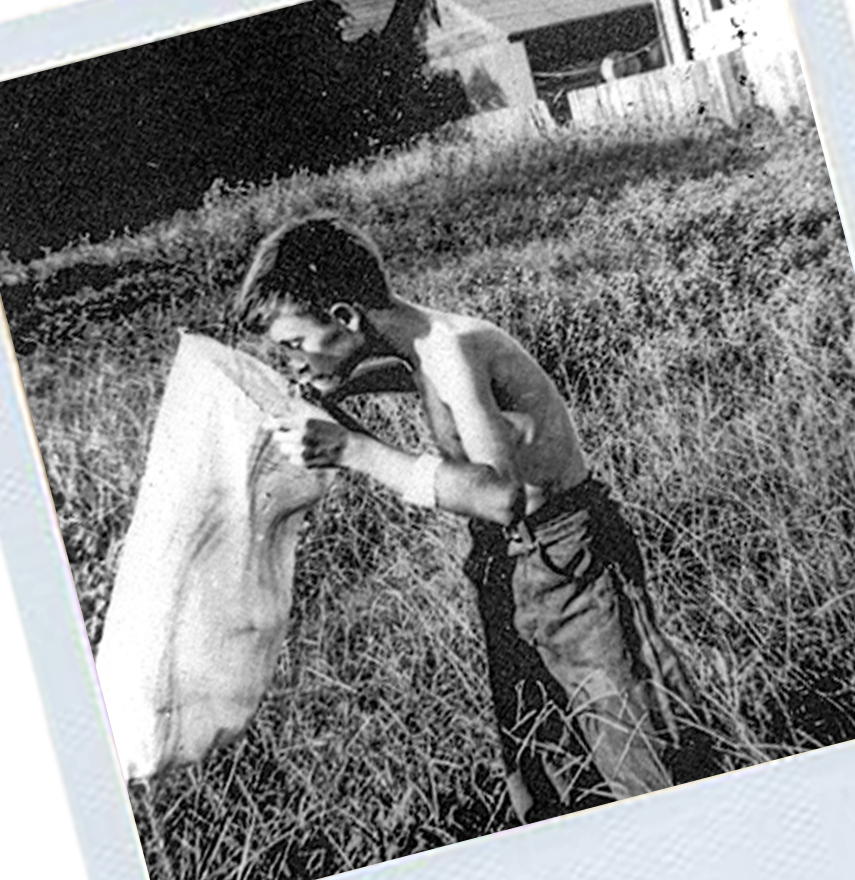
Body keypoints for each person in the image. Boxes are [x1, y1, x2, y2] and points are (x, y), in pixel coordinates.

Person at [233, 214, 724, 823]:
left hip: (567, 557)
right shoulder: (421, 348)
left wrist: (354, 450)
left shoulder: (453, 349)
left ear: (346, 318)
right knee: (540, 744)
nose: (295, 364)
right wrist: (337, 394)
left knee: (639, 744)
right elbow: (420, 379)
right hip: (511, 563)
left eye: (295, 346)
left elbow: (503, 498)